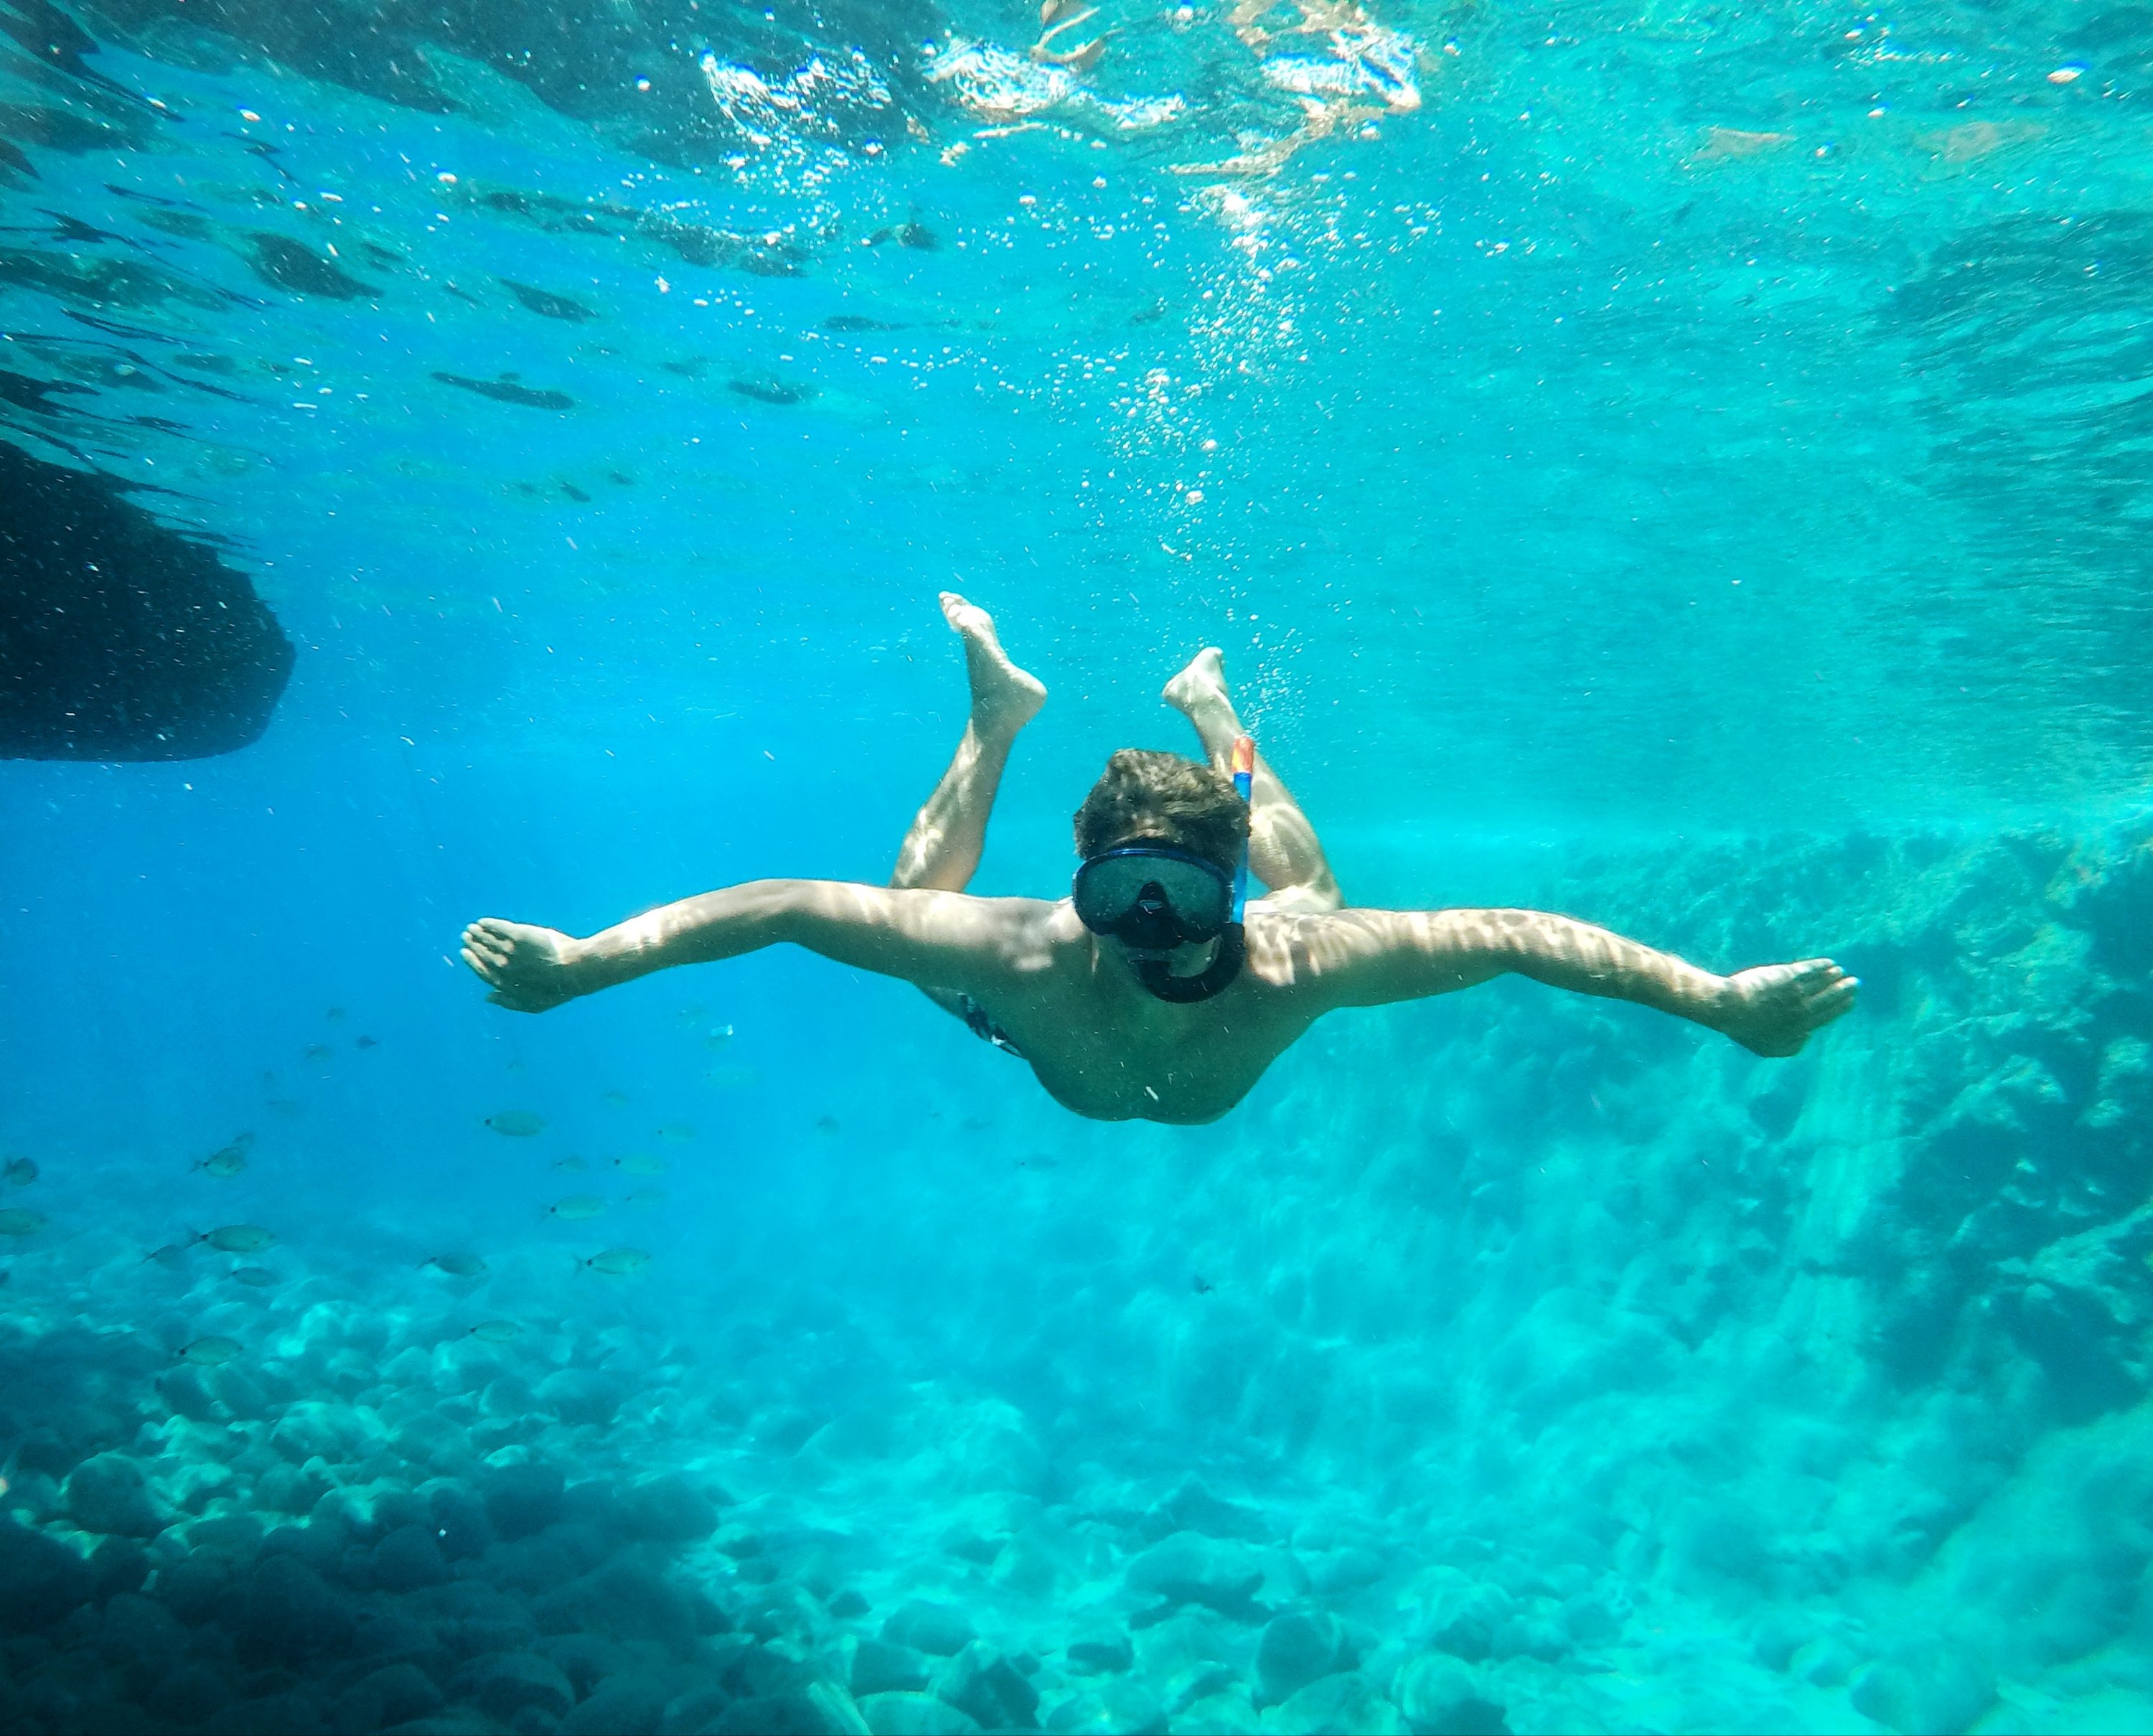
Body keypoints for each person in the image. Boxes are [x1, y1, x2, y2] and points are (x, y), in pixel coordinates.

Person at [461, 595, 1857, 1125]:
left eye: (1181, 893)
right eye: (1120, 891)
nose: (1146, 924)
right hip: (1018, 1021)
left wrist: (1719, 1000)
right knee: (907, 907)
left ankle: (1215, 715)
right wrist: (587, 962)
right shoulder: (1020, 953)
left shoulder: (1292, 957)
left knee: (1322, 900)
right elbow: (777, 904)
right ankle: (998, 717)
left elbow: (1515, 935)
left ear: (1218, 892)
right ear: (1077, 877)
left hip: (1264, 918)